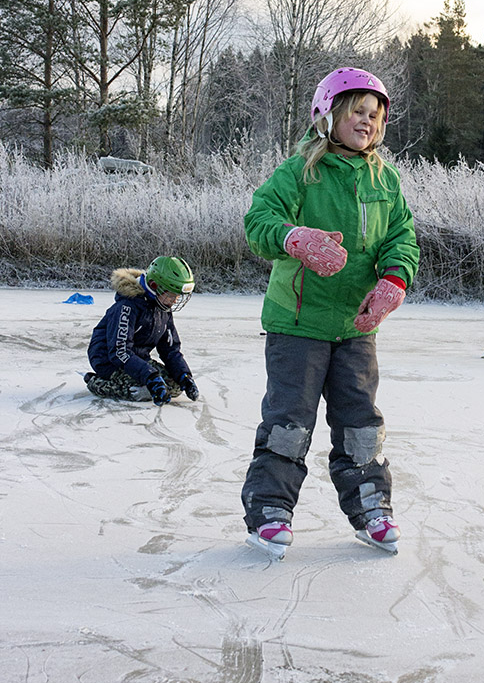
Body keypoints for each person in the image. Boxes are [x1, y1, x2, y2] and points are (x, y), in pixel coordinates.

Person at [241, 67, 420, 557]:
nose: (368, 122)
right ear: (328, 114)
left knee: (361, 423)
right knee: (289, 421)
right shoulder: (299, 171)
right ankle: (270, 512)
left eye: (376, 116)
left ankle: (371, 508)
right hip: (297, 324)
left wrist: (394, 279)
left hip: (356, 327)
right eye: (358, 112)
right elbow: (259, 221)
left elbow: (400, 237)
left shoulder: (384, 178)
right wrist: (293, 238)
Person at [83, 256, 200, 405]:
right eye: (171, 295)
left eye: (177, 296)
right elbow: (120, 352)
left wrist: (184, 376)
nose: (175, 300)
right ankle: (96, 382)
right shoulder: (126, 307)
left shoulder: (162, 308)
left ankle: (151, 383)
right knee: (145, 388)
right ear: (154, 285)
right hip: (110, 361)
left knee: (175, 387)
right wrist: (150, 377)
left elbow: (170, 349)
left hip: (137, 357)